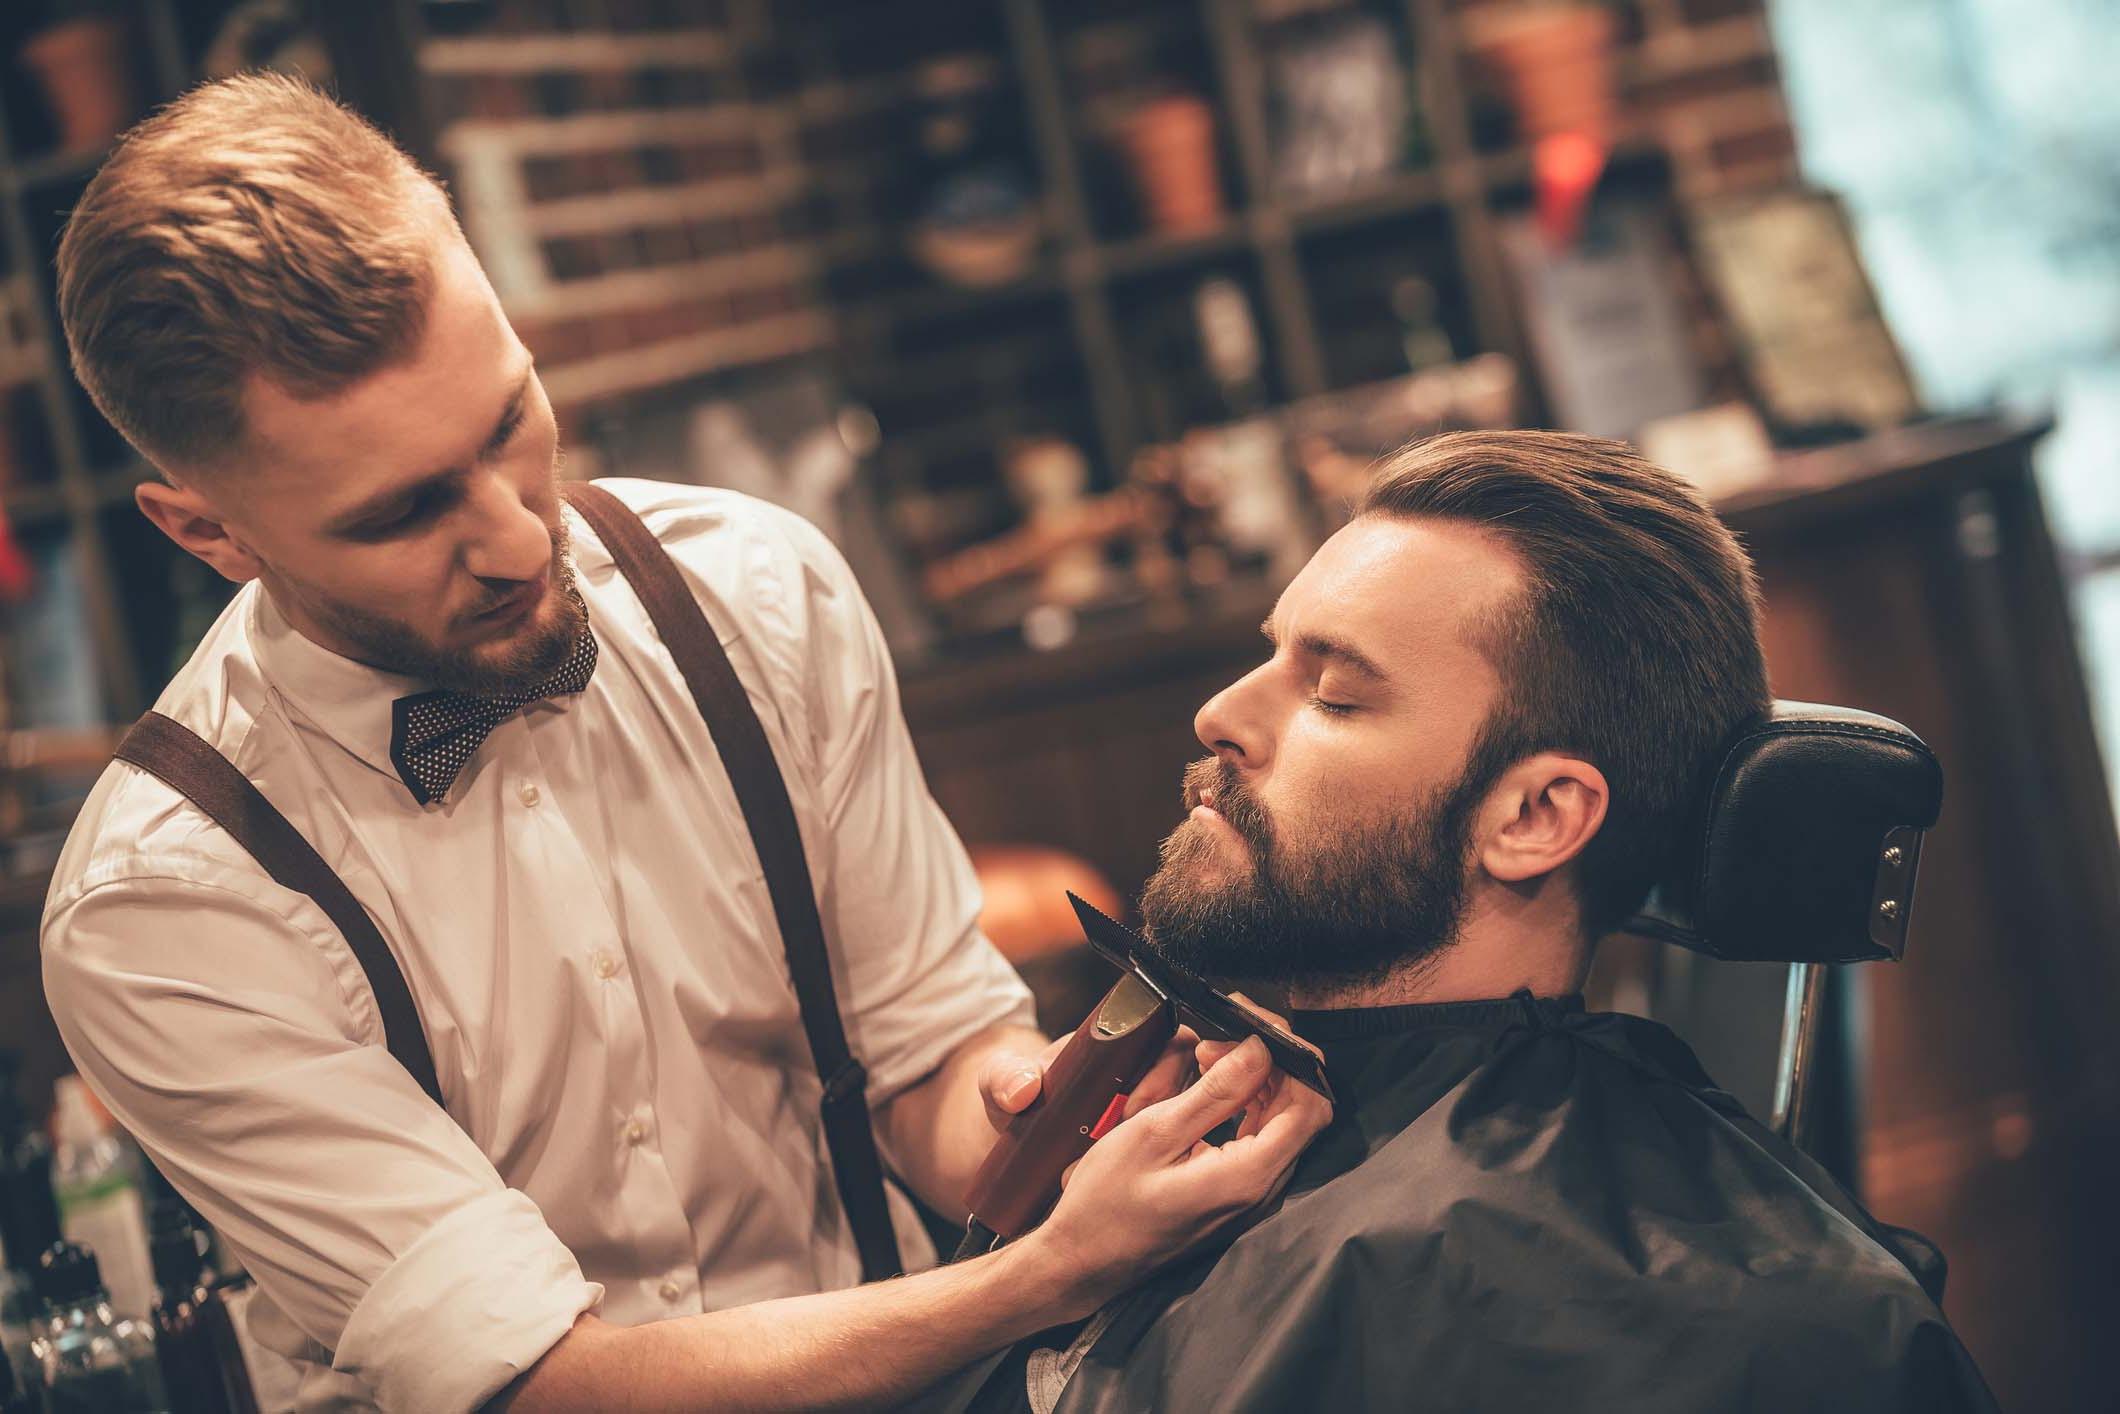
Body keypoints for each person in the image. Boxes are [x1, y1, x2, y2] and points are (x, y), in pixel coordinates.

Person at [37, 75, 1329, 1413]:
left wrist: (1036, 1111)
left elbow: (925, 1059)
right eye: (405, 513)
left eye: (507, 423)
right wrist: (1043, 1272)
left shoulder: (755, 593)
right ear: (208, 533)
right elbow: (536, 1382)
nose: (523, 538)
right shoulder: (163, 901)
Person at [957, 430, 1997, 1413]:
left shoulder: (1702, 1316)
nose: (1219, 714)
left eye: (1330, 695)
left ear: (1533, 816)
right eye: (1266, 655)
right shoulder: (1211, 1118)